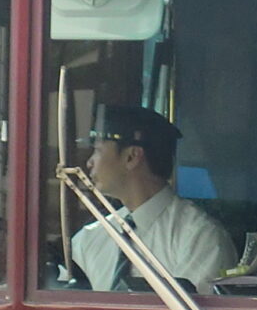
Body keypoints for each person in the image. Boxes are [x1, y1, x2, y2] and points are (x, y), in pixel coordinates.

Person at [68, 103, 238, 292]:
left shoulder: (199, 238)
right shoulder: (90, 238)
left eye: (98, 150)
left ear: (131, 157)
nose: (89, 162)